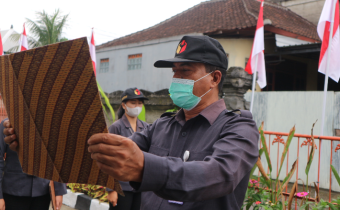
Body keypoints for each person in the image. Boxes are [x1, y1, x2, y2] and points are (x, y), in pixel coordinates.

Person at [4, 35, 259, 210]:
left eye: (185, 71)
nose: (175, 79)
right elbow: (106, 151)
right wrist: (32, 139)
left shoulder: (238, 128)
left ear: (214, 78)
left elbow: (220, 175)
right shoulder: (162, 125)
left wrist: (144, 166)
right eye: (174, 72)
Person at [0, 119, 67, 210]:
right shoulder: (7, 125)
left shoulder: (50, 124)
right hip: (13, 191)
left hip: (42, 192)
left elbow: (57, 157)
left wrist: (59, 190)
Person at [106, 87, 149, 210]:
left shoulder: (146, 127)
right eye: (133, 102)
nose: (137, 106)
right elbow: (109, 159)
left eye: (140, 103)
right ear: (124, 105)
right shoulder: (116, 127)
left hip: (140, 185)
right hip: (121, 187)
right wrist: (111, 189)